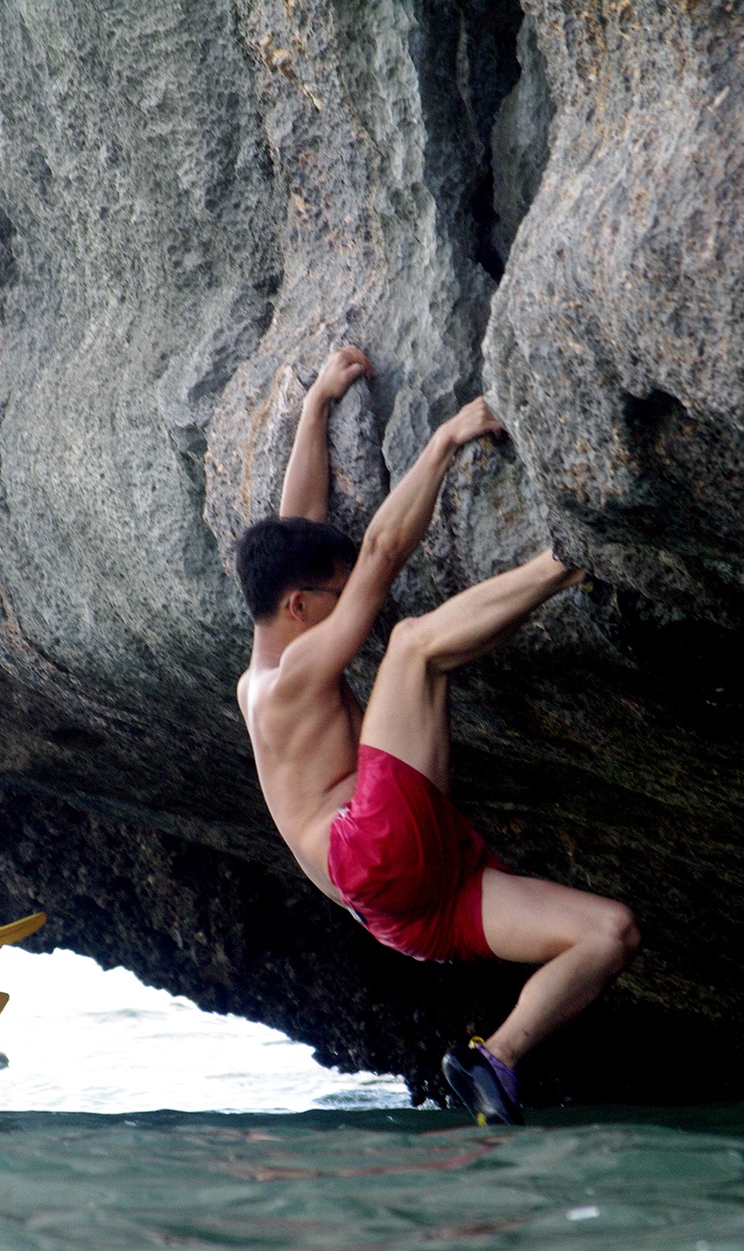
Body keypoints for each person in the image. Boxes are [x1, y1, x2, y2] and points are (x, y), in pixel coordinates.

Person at [233, 345, 640, 1125]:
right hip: (374, 847)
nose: (348, 596)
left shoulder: (266, 660)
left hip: (397, 909)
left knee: (610, 931)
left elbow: (298, 530)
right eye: (333, 593)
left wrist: (316, 406)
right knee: (414, 644)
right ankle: (569, 557)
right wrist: (446, 439)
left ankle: (495, 1060)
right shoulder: (293, 677)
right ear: (298, 607)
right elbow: (382, 554)